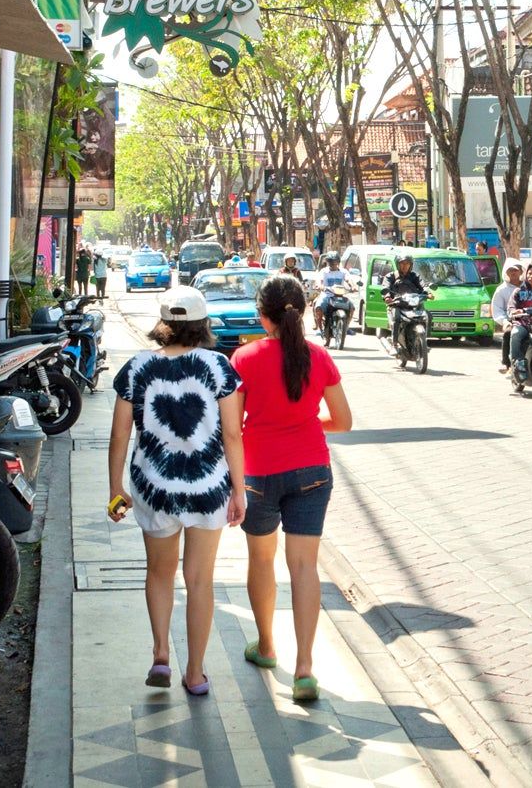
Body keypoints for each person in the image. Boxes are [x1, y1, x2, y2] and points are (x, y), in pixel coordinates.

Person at [107, 286, 246, 697]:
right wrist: (240, 490)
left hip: (154, 488)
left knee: (159, 572)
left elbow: (119, 436)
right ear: (202, 325)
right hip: (208, 488)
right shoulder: (219, 367)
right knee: (200, 579)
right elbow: (233, 436)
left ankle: (161, 654)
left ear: (163, 324)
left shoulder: (136, 368)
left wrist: (115, 488)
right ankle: (197, 672)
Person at [231, 276, 353, 704]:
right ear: (300, 311)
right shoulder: (319, 357)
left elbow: (232, 427)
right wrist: (302, 425)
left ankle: (266, 647)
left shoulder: (243, 358)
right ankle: (305, 669)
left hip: (259, 473)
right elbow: (342, 421)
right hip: (312, 472)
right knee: (305, 567)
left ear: (263, 317)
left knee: (262, 560)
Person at [490, 260, 524, 374]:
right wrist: (505, 321)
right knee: (508, 333)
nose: (513, 272)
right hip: (512, 321)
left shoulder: (528, 286)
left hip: (530, 320)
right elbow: (497, 309)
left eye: (515, 270)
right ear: (506, 273)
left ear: (521, 271)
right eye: (511, 270)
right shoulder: (501, 290)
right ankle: (507, 363)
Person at [312, 253, 347, 333]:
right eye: (331, 262)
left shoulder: (343, 272)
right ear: (328, 262)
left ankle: (346, 326)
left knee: (351, 308)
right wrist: (320, 286)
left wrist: (353, 286)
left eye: (335, 261)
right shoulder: (324, 271)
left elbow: (349, 280)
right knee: (318, 308)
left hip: (340, 296)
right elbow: (319, 281)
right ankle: (321, 330)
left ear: (338, 262)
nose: (333, 263)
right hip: (326, 295)